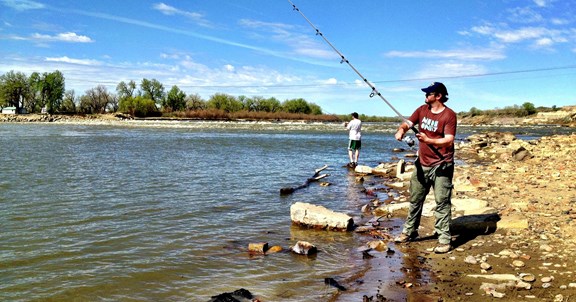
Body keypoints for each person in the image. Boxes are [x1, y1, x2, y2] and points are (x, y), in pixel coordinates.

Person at [393, 82, 457, 254]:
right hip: (422, 163)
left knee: (442, 203)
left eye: (429, 93)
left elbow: (449, 139)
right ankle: (409, 232)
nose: (426, 96)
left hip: (442, 165)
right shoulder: (422, 109)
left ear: (438, 96)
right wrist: (401, 131)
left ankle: (444, 240)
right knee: (415, 199)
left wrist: (429, 140)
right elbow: (408, 122)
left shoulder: (449, 115)